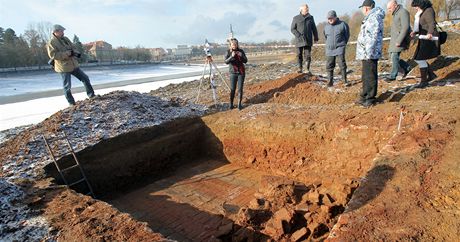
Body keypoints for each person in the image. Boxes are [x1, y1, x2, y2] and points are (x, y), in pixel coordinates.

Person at [47, 24, 95, 106]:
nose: (63, 32)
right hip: (63, 68)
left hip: (73, 65)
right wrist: (67, 53)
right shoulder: (51, 43)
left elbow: (73, 47)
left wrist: (76, 53)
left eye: (63, 31)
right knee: (67, 86)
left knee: (85, 78)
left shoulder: (66, 39)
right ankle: (71, 103)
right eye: (61, 31)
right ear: (56, 32)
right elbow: (53, 55)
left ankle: (92, 96)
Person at [356, 0, 385, 107]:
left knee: (370, 75)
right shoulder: (370, 17)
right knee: (365, 75)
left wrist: (368, 52)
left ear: (366, 8)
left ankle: (370, 98)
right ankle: (364, 95)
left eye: (362, 8)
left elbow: (371, 37)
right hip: (365, 52)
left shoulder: (374, 18)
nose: (362, 10)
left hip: (370, 52)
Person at [410, 0, 440, 88]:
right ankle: (431, 75)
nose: (415, 8)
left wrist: (430, 33)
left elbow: (432, 23)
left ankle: (424, 81)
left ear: (421, 4)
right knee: (418, 58)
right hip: (423, 38)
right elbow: (421, 25)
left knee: (419, 58)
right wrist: (415, 32)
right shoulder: (421, 12)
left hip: (430, 38)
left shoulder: (429, 10)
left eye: (416, 6)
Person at [385, 0, 411, 82]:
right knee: (392, 56)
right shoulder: (396, 13)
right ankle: (407, 67)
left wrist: (399, 40)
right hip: (394, 39)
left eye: (390, 8)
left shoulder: (403, 12)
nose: (388, 10)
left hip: (400, 39)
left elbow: (405, 27)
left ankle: (393, 75)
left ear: (395, 5)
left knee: (394, 56)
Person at [323, 10, 350, 87]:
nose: (330, 20)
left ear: (335, 17)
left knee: (342, 64)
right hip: (329, 49)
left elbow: (347, 35)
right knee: (329, 65)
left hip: (340, 47)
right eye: (328, 18)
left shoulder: (343, 24)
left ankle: (344, 81)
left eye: (331, 18)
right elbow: (325, 36)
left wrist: (343, 44)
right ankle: (330, 81)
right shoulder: (326, 27)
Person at [291, 4, 319, 74]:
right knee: (299, 54)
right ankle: (300, 68)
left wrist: (316, 37)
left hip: (308, 39)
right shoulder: (296, 18)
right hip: (299, 40)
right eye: (306, 9)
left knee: (308, 55)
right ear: (301, 10)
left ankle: (307, 69)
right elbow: (292, 29)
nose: (307, 10)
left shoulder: (311, 17)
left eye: (307, 8)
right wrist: (298, 35)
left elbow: (314, 28)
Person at [224, 38, 248, 110]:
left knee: (240, 89)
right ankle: (231, 104)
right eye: (233, 44)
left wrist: (241, 56)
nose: (234, 45)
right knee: (232, 89)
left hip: (241, 72)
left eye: (235, 44)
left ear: (237, 44)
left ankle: (239, 105)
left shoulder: (241, 51)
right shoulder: (228, 52)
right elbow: (226, 62)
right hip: (233, 73)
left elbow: (246, 61)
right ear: (230, 45)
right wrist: (232, 56)